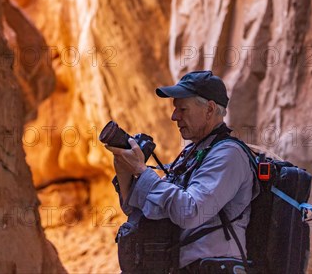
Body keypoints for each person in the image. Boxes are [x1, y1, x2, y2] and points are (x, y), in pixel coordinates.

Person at [105, 70, 258, 273]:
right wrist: (124, 168)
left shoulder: (229, 155)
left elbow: (190, 212)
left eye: (182, 109)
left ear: (210, 109)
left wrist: (142, 171)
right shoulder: (194, 153)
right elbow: (140, 210)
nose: (174, 116)